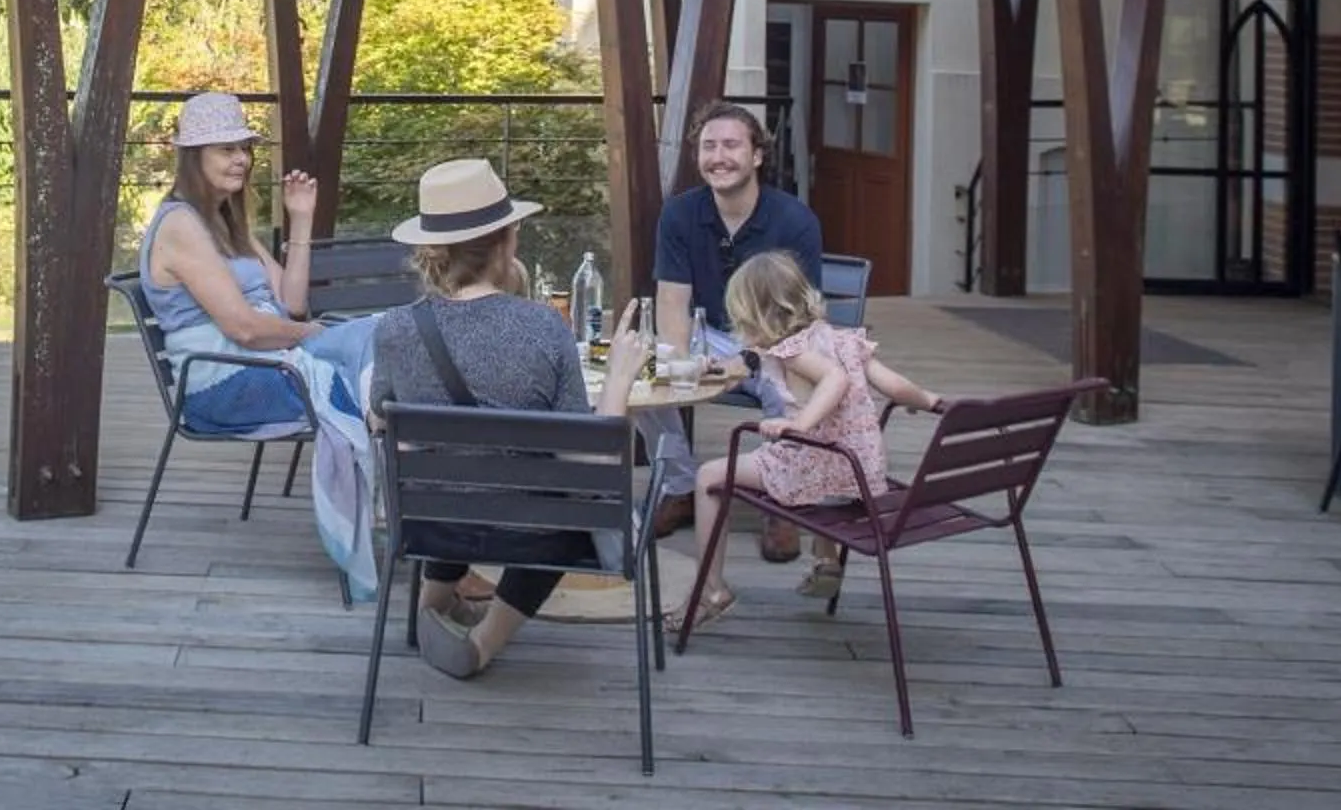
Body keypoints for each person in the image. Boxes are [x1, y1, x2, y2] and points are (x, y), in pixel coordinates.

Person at [373, 157, 650, 681]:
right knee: (559, 503)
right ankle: (484, 642)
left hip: (430, 523)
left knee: (469, 481)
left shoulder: (393, 328)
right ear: (507, 238)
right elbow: (590, 463)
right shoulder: (544, 328)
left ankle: (434, 605)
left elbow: (379, 418)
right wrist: (618, 380)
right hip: (533, 534)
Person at [674, 249, 939, 629]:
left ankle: (712, 589)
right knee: (796, 451)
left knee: (709, 477)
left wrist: (798, 426)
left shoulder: (792, 351)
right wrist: (929, 401)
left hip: (816, 465)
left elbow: (835, 379)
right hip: (859, 471)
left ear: (759, 315)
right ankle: (826, 556)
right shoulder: (843, 339)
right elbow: (895, 385)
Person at [651, 98, 824, 555]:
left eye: (731, 145)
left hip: (773, 340)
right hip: (704, 333)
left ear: (757, 155)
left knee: (789, 382)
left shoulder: (794, 220)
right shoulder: (679, 214)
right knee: (646, 372)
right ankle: (680, 486)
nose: (718, 157)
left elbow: (799, 323)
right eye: (709, 147)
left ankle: (778, 495)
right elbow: (672, 303)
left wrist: (747, 360)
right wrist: (680, 364)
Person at [137, 89, 356, 432]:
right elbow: (245, 329)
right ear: (194, 157)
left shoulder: (226, 221)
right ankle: (401, 473)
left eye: (245, 148)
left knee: (379, 351)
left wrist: (301, 218)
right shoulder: (181, 224)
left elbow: (291, 300)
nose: (242, 159)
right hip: (225, 384)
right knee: (371, 379)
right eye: (227, 149)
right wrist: (314, 333)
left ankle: (404, 471)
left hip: (263, 366)